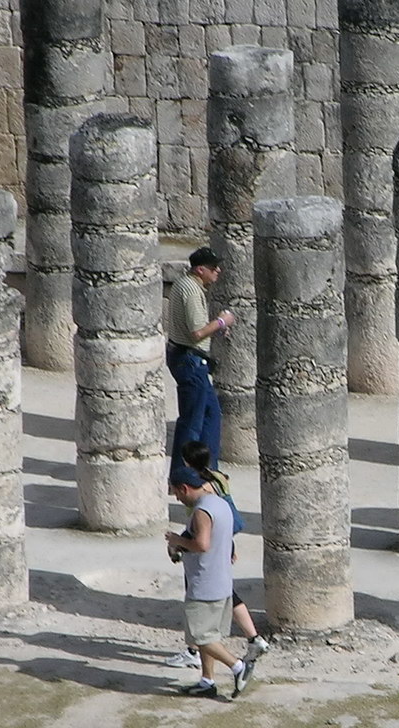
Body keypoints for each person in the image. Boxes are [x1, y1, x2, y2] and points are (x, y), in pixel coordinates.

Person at [164, 440, 269, 669]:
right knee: (225, 593)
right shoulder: (218, 478)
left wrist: (178, 541)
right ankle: (252, 639)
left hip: (207, 541)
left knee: (200, 599)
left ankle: (198, 651)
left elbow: (202, 536)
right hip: (222, 537)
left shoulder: (197, 489)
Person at [166, 464, 256, 698]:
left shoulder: (201, 512)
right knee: (210, 635)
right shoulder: (220, 503)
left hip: (204, 584)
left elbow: (202, 545)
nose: (176, 497)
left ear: (184, 488)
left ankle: (238, 667)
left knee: (199, 637)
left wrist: (177, 541)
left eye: (176, 493)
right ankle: (207, 681)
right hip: (221, 580)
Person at [165, 246, 235, 480]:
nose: (218, 270)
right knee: (192, 422)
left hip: (189, 359)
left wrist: (215, 329)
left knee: (211, 415)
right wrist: (222, 322)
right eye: (213, 267)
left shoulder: (185, 285)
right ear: (200, 269)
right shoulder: (192, 291)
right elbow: (196, 333)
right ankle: (182, 475)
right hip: (190, 361)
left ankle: (208, 470)